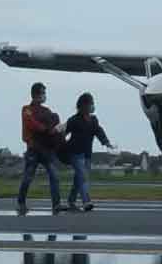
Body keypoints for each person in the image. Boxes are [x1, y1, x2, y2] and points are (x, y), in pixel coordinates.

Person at [17, 82, 67, 215]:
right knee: (28, 177)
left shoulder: (47, 111)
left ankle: (56, 204)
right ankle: (21, 202)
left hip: (46, 149)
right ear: (36, 94)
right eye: (43, 93)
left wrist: (57, 131)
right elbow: (30, 123)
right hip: (34, 149)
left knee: (54, 176)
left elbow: (54, 125)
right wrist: (46, 129)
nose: (44, 96)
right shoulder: (26, 109)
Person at [62, 92, 114, 211]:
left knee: (78, 179)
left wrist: (106, 142)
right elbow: (63, 133)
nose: (93, 106)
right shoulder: (74, 120)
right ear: (84, 105)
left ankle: (71, 200)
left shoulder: (93, 120)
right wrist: (60, 145)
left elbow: (99, 131)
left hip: (87, 155)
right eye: (91, 103)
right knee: (83, 176)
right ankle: (86, 202)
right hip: (75, 153)